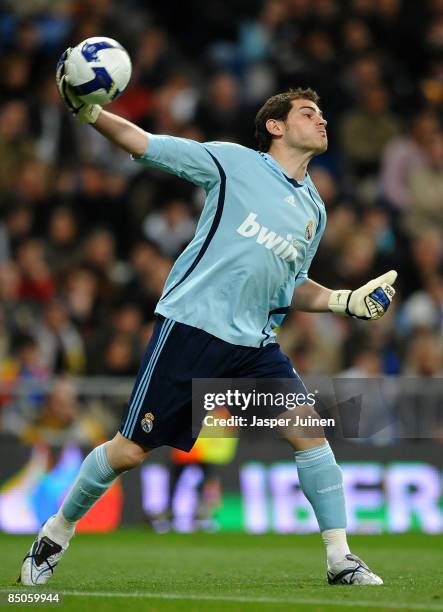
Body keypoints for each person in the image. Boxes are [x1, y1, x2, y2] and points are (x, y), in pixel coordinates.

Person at [19, 47, 397, 587]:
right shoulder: (233, 162)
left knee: (310, 434)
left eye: (322, 114)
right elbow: (146, 145)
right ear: (275, 125)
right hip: (192, 325)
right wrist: (91, 113)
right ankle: (57, 531)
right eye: (308, 113)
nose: (321, 119)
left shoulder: (315, 208)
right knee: (128, 451)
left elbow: (291, 286)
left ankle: (341, 559)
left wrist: (344, 300)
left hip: (255, 346)